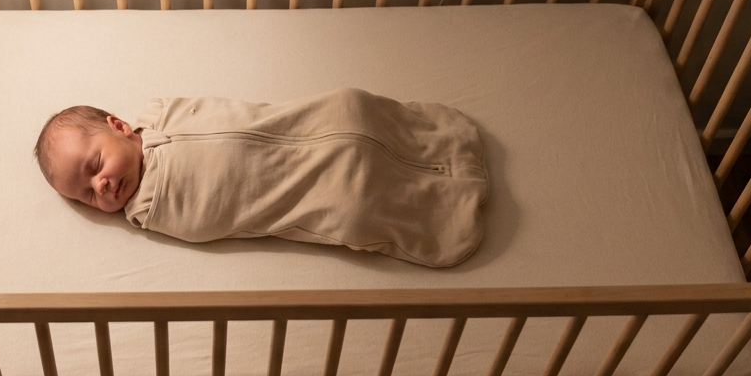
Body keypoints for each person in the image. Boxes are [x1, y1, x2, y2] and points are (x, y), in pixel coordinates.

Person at [33, 88, 489, 267]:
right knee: (355, 201)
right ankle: (445, 211)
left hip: (304, 122)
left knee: (351, 109)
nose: (102, 187)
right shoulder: (151, 207)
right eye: (88, 198)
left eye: (94, 167)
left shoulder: (161, 113)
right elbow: (207, 217)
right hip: (301, 188)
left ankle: (439, 146)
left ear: (118, 126)